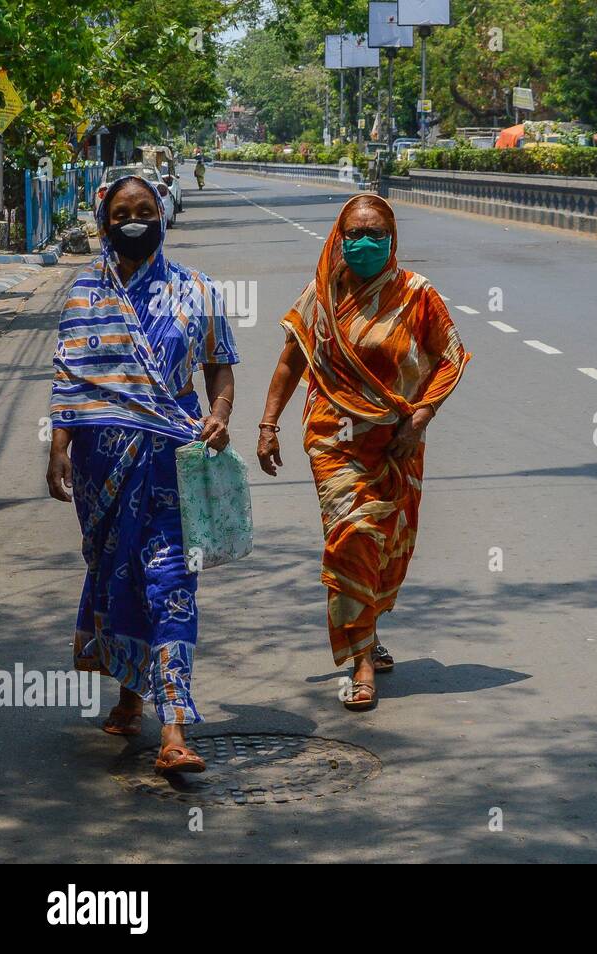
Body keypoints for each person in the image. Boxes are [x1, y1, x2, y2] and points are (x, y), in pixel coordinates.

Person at [47, 175, 239, 773]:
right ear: (104, 222)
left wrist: (221, 416)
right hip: (99, 472)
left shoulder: (196, 290)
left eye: (145, 211)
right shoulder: (83, 294)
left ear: (162, 216)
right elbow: (69, 381)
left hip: (171, 467)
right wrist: (57, 448)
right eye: (122, 212)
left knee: (171, 585)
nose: (135, 221)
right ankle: (131, 695)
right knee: (118, 579)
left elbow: (220, 365)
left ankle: (174, 727)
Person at [256, 194, 468, 712]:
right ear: (339, 236)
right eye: (355, 233)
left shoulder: (418, 295)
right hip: (332, 438)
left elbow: (451, 357)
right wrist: (268, 423)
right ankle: (361, 662)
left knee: (389, 543)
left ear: (393, 239)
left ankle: (366, 628)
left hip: (396, 440)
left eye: (376, 233)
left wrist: (422, 416)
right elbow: (291, 364)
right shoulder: (321, 296)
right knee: (353, 533)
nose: (365, 242)